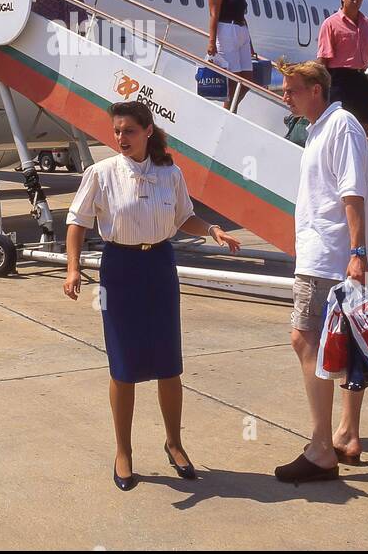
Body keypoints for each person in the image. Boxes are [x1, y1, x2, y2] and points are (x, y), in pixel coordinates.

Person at [63, 101, 241, 490]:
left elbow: (183, 217)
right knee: (123, 364)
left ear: (147, 132)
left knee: (168, 362)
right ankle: (123, 451)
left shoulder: (170, 173)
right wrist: (73, 267)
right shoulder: (101, 173)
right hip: (120, 270)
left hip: (159, 266)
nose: (120, 138)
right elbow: (77, 221)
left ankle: (174, 442)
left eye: (128, 131)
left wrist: (213, 230)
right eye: (116, 131)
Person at [274, 59, 368, 483]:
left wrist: (356, 251)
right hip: (327, 253)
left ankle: (319, 449)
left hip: (328, 256)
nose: (285, 95)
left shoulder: (341, 126)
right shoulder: (318, 128)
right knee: (346, 344)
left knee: (304, 338)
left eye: (291, 89)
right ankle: (346, 435)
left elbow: (352, 191)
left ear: (316, 89)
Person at [316, 0, 368, 132]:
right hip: (338, 80)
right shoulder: (330, 24)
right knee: (337, 124)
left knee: (364, 125)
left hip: (360, 78)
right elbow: (323, 60)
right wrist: (320, 87)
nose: (355, 1)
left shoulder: (367, 24)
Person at [207, 0, 255, 111]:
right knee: (233, 79)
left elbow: (242, 15)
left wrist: (251, 44)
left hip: (241, 31)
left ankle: (231, 108)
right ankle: (228, 111)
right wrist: (212, 41)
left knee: (248, 79)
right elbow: (214, 15)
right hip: (226, 30)